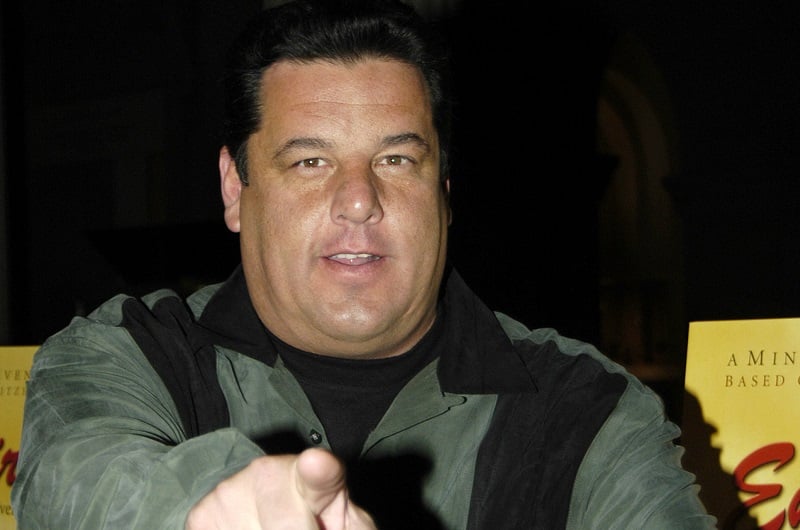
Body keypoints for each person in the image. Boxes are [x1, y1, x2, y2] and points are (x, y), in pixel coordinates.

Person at [12, 0, 716, 528]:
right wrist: (202, 508)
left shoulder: (588, 410)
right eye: (310, 161)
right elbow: (80, 479)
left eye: (396, 159)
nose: (359, 200)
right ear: (235, 188)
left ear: (443, 190)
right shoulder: (126, 354)